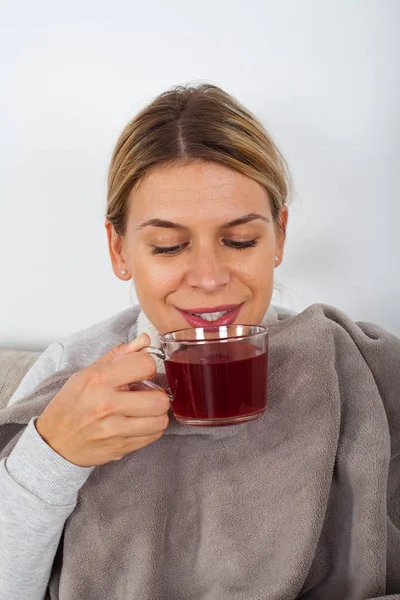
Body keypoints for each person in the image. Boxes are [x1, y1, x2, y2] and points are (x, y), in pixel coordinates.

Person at [0, 83, 399, 600]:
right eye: (169, 246)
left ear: (278, 236)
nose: (209, 278)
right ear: (119, 249)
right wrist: (52, 454)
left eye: (240, 240)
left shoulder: (357, 367)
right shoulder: (71, 369)